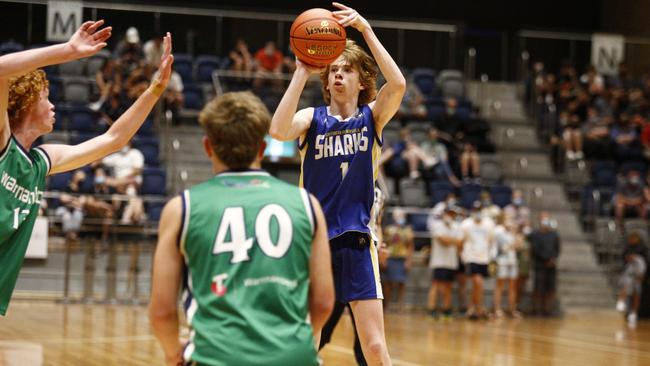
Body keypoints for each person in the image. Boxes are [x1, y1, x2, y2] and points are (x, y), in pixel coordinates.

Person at [148, 91, 334, 366]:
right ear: (262, 149)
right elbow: (323, 303)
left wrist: (173, 353)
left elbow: (162, 311)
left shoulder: (181, 208)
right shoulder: (307, 204)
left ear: (208, 147)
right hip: (294, 357)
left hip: (215, 357)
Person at [0, 22, 173, 316]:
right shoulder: (3, 141)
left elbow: (113, 139)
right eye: (46, 98)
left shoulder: (41, 161)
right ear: (28, 101)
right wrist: (67, 51)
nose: (53, 106)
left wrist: (155, 89)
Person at [269, 2, 406, 364]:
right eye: (333, 71)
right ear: (326, 81)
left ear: (362, 81)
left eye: (347, 70)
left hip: (358, 243)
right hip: (314, 245)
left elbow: (399, 84)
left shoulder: (372, 118)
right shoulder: (310, 119)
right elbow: (277, 130)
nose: (338, 76)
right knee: (306, 342)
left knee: (375, 346)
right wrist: (301, 72)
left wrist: (366, 30)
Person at [460, 201, 495, 319]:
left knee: (477, 286)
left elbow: (491, 240)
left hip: (483, 258)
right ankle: (479, 307)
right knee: (478, 282)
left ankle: (472, 308)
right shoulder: (466, 224)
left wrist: (491, 256)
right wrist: (463, 256)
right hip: (471, 257)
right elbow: (461, 241)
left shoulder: (489, 224)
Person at [428, 207, 463, 319]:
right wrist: (453, 240)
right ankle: (432, 309)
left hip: (451, 262)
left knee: (448, 286)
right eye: (449, 213)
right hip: (439, 261)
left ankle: (446, 309)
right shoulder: (437, 225)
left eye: (453, 214)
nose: (451, 216)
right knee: (436, 285)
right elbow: (444, 241)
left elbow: (460, 242)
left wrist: (450, 240)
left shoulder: (456, 226)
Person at [528, 212, 561, 316]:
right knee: (538, 288)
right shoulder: (535, 234)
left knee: (550, 288)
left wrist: (553, 259)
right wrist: (545, 259)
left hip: (551, 265)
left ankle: (548, 309)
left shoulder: (554, 234)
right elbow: (535, 249)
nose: (545, 221)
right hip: (539, 265)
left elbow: (557, 249)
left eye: (547, 219)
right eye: (543, 219)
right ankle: (536, 309)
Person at [381, 208, 414, 312]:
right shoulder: (388, 230)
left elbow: (410, 246)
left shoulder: (408, 230)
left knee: (401, 283)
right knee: (388, 283)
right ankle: (387, 305)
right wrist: (383, 259)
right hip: (390, 257)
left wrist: (409, 260)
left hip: (401, 258)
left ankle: (401, 305)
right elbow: (384, 244)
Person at [493, 214, 523, 318]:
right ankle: (497, 309)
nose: (510, 222)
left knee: (512, 286)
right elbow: (503, 248)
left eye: (511, 220)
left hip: (512, 261)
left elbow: (519, 245)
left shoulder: (514, 232)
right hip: (502, 261)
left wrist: (515, 233)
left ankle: (512, 309)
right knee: (500, 286)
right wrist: (513, 244)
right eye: (507, 219)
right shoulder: (499, 232)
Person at [616, 232, 648, 327]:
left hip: (639, 274)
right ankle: (621, 301)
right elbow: (624, 258)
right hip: (629, 274)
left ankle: (634, 313)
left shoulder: (643, 250)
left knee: (636, 294)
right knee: (626, 286)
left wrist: (643, 276)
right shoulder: (627, 248)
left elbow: (646, 263)